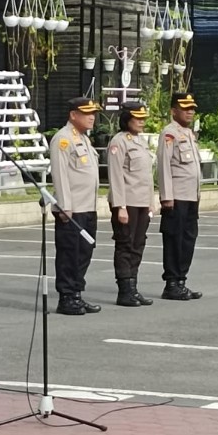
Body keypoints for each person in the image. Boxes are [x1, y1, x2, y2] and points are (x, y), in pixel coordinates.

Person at [49, 97, 102, 316]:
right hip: (72, 209)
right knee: (70, 253)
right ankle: (67, 297)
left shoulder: (83, 139)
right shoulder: (63, 139)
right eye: (86, 113)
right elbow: (60, 174)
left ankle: (77, 293)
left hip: (87, 207)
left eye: (93, 113)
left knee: (84, 253)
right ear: (73, 115)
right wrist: (64, 206)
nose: (92, 117)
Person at [107, 102, 155, 307]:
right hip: (127, 202)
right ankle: (124, 290)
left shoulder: (140, 141)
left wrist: (151, 202)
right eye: (138, 118)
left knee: (138, 245)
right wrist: (121, 206)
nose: (142, 121)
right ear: (127, 119)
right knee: (125, 245)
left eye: (144, 118)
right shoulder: (119, 142)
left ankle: (133, 287)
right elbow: (116, 176)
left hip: (141, 202)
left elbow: (146, 176)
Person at [156, 93, 203, 301]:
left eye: (192, 108)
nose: (190, 111)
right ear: (173, 111)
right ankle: (172, 283)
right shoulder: (169, 133)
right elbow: (164, 166)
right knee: (174, 239)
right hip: (176, 197)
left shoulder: (189, 134)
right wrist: (166, 196)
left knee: (188, 239)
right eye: (185, 108)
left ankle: (181, 280)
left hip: (191, 196)